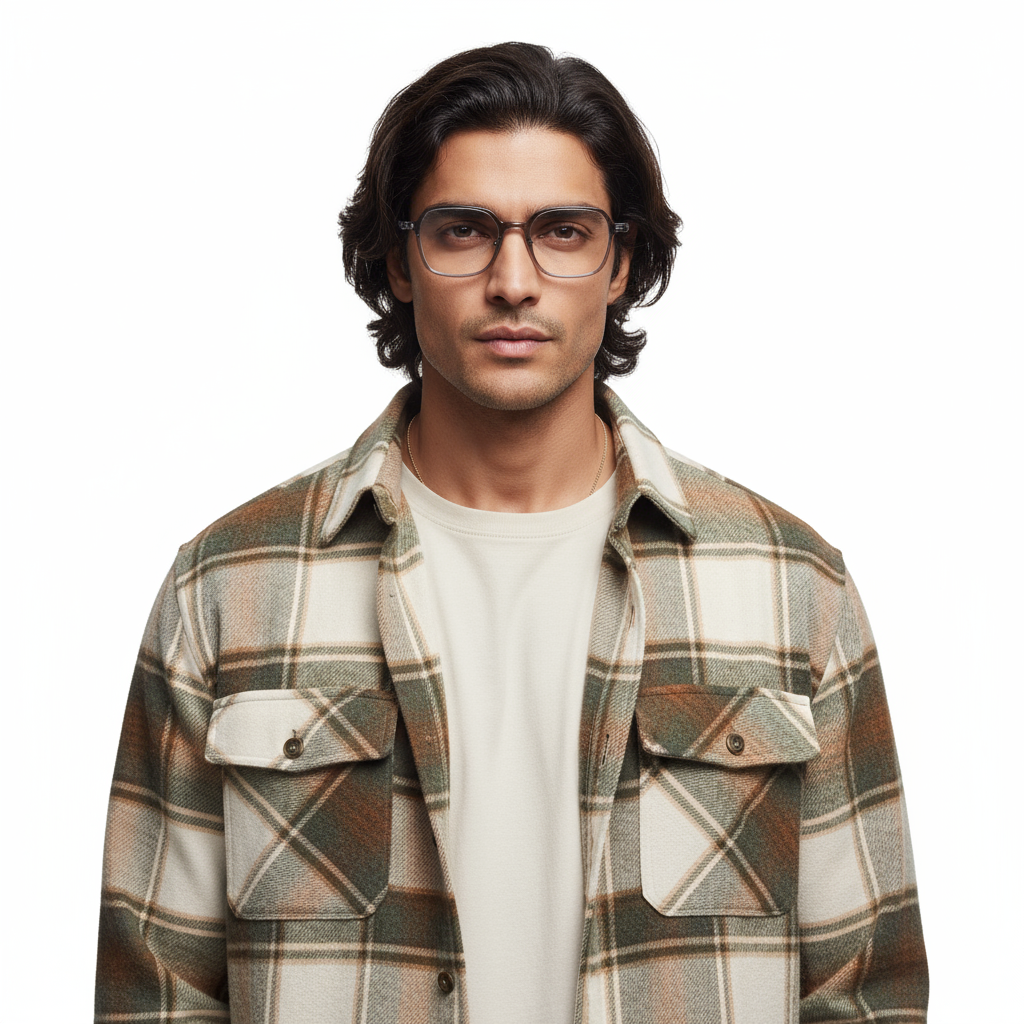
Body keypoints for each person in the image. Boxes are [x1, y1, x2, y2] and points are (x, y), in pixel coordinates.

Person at [95, 42, 928, 1024]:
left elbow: (862, 995)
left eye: (563, 232)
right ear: (400, 261)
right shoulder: (227, 589)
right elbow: (157, 996)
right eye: (464, 230)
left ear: (620, 262)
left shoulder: (790, 589)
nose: (513, 280)